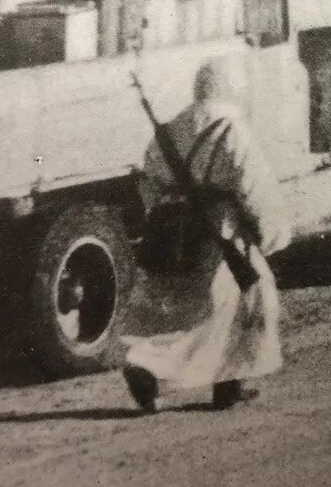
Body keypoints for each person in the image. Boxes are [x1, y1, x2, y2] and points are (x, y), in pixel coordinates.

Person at [121, 57, 292, 413]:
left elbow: (149, 184)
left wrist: (168, 213)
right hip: (221, 231)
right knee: (239, 304)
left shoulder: (170, 129)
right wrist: (271, 234)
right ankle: (214, 383)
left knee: (176, 309)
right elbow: (254, 188)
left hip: (176, 228)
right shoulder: (233, 129)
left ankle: (153, 371)